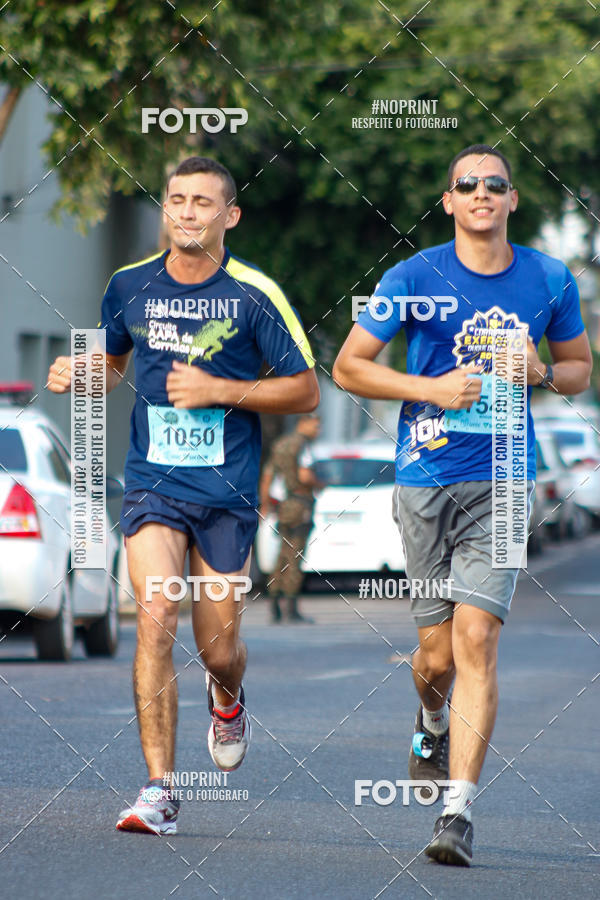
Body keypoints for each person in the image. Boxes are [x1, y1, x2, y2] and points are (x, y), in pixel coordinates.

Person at [333, 144, 592, 866]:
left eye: (495, 185)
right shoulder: (414, 278)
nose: (481, 193)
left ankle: (457, 813)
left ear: (513, 200)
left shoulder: (548, 277)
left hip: (508, 475)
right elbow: (349, 365)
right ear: (449, 201)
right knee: (436, 655)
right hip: (426, 478)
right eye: (467, 184)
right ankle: (429, 716)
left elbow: (578, 369)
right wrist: (430, 389)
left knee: (477, 640)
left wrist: (541, 369)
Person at [48, 155, 319, 835]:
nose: (188, 211)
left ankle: (227, 695)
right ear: (164, 209)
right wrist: (79, 373)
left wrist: (219, 390)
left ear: (229, 215)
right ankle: (158, 789)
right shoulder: (129, 284)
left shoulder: (254, 294)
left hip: (226, 493)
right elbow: (112, 366)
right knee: (157, 613)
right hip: (153, 486)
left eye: (203, 201)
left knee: (219, 647)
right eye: (176, 199)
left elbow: (305, 389)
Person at [260, 414, 321, 623]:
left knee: (282, 555)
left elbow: (267, 475)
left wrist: (266, 504)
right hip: (300, 503)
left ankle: (275, 604)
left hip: (284, 506)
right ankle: (292, 608)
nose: (317, 430)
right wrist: (320, 484)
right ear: (303, 423)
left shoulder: (280, 444)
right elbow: (305, 476)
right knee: (295, 555)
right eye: (315, 425)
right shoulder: (303, 445)